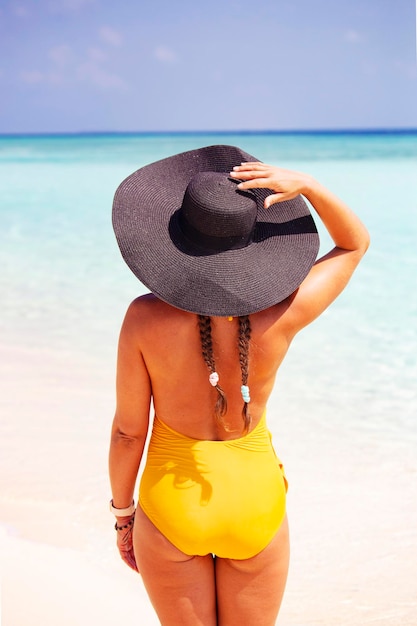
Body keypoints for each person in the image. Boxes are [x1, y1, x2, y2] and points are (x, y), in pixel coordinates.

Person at [108, 144, 370, 626]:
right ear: (253, 246)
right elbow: (354, 245)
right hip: (255, 499)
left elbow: (129, 433)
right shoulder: (282, 315)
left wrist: (123, 516)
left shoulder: (144, 319)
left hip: (172, 503)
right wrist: (310, 186)